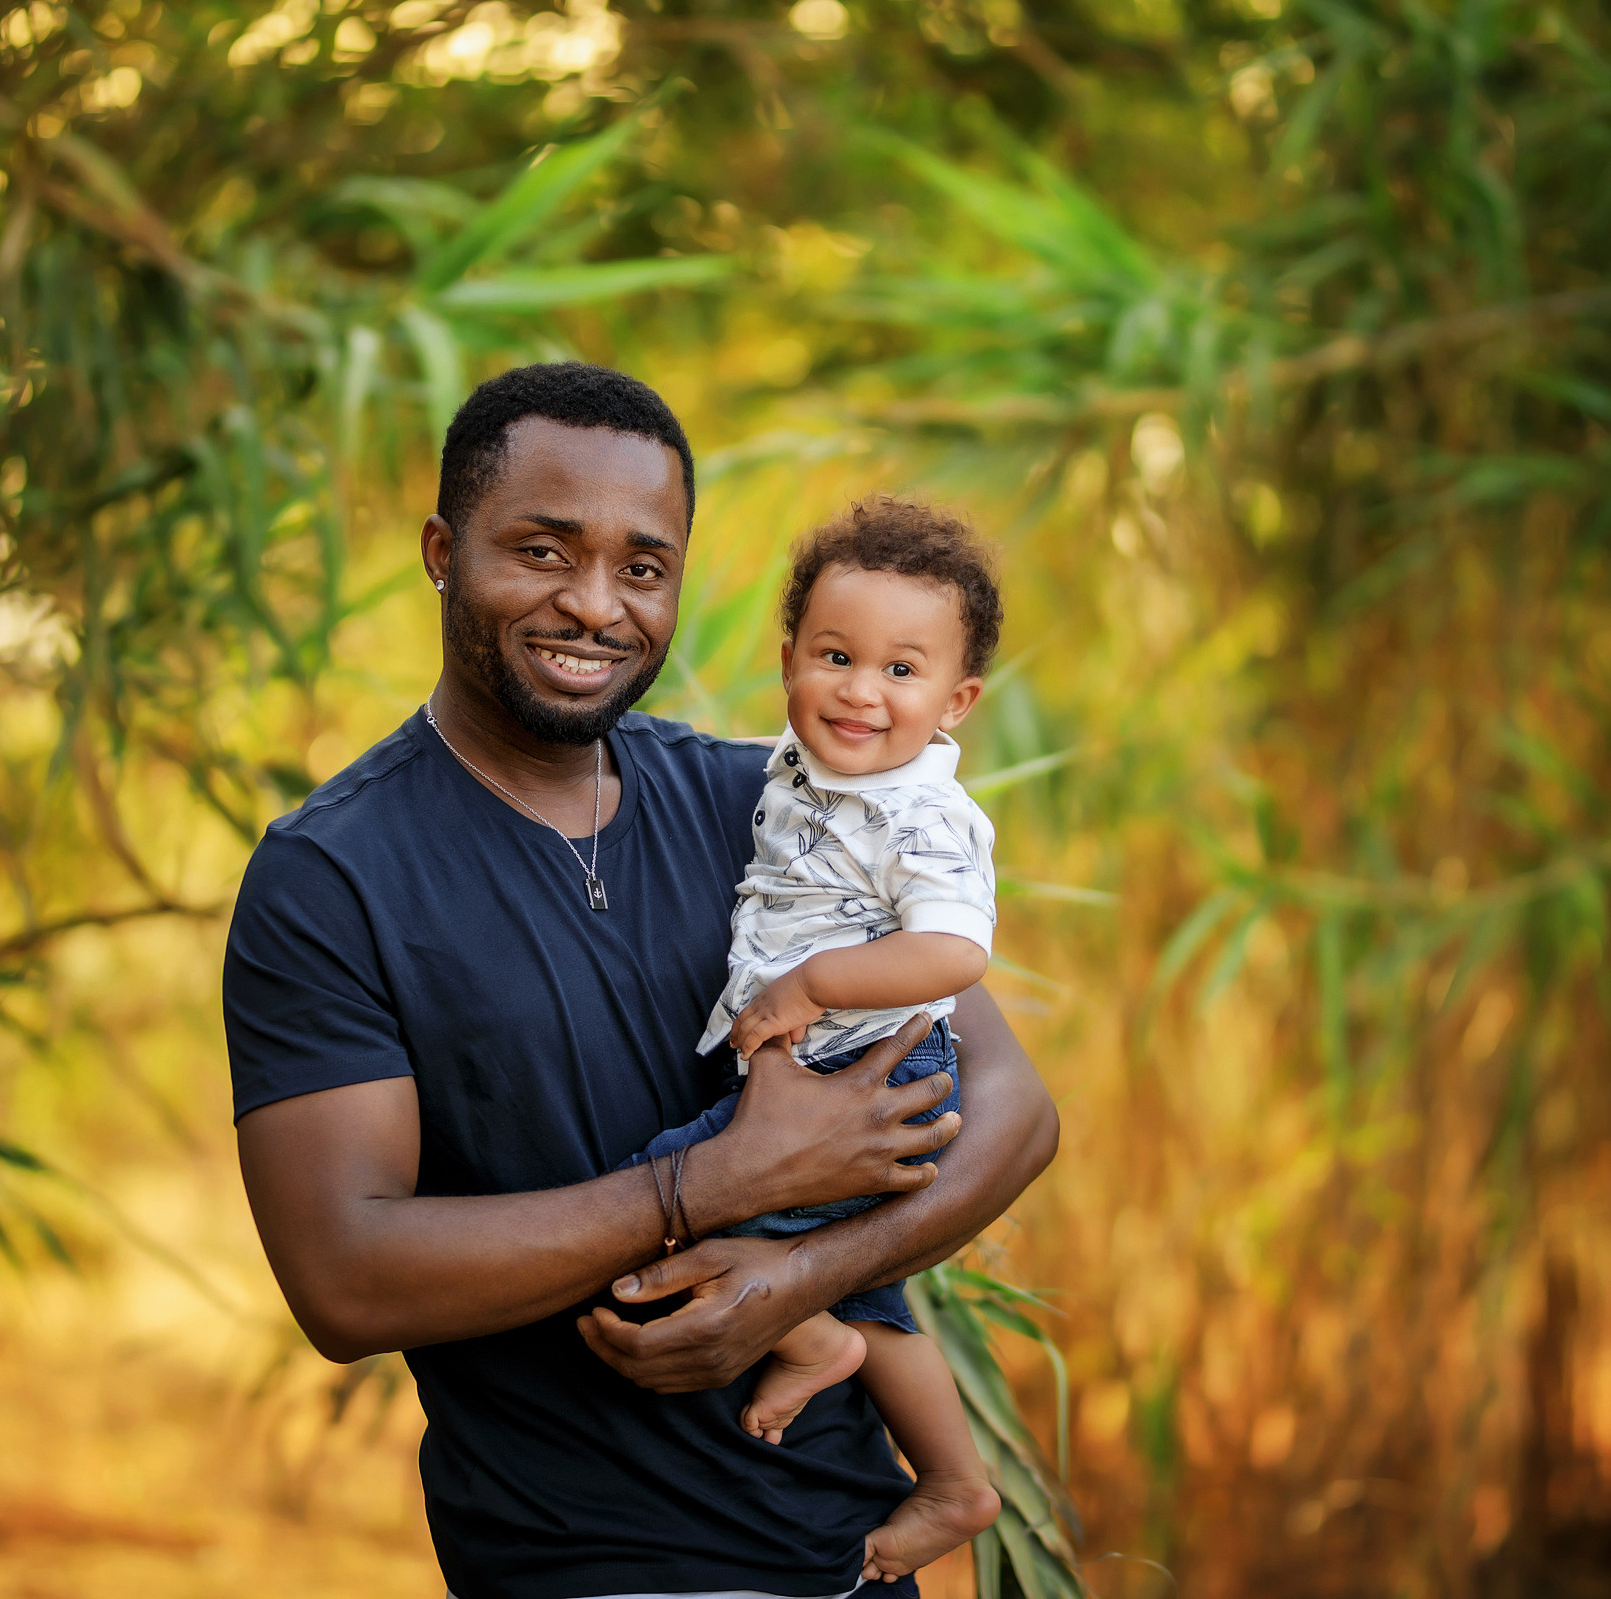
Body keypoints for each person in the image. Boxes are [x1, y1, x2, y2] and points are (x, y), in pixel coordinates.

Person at [224, 361, 1058, 1599]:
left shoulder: (766, 804)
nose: (596, 606)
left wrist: (798, 1277)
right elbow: (344, 1277)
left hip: (854, 1556)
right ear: (444, 551)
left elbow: (1016, 1110)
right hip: (591, 1566)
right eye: (544, 552)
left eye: (643, 567)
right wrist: (710, 1183)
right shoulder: (334, 876)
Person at [611, 499, 1007, 1580]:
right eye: (834, 656)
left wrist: (814, 985)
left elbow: (954, 952)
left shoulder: (920, 813)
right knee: (871, 1292)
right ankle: (953, 1475)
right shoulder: (810, 764)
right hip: (834, 1056)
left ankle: (805, 1331)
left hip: (863, 1066)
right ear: (787, 658)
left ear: (956, 699)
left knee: (659, 1195)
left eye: (901, 671)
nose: (860, 691)